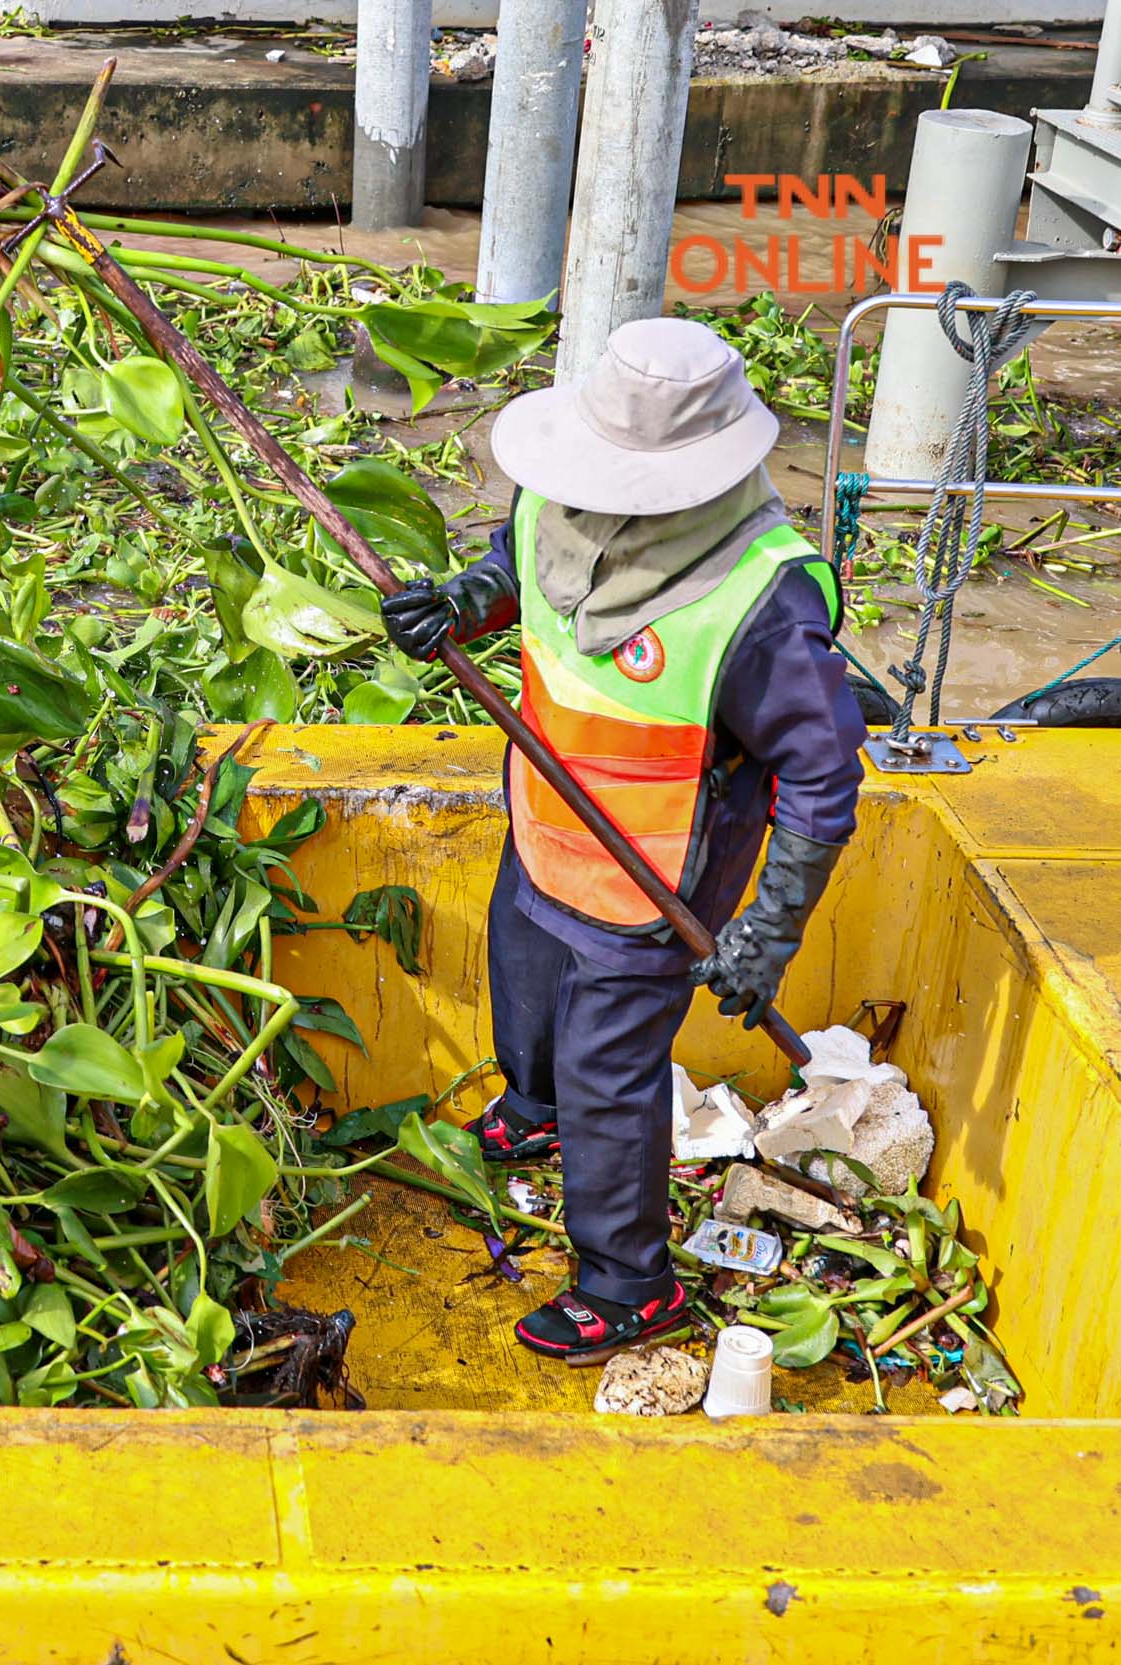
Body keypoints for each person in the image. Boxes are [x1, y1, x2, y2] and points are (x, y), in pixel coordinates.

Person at [382, 316, 865, 1365]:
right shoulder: (552, 496)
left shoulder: (760, 602)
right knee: (523, 991)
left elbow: (822, 780)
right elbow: (515, 566)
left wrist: (766, 932)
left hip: (657, 889)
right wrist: (458, 606)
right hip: (545, 830)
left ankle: (627, 1284)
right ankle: (534, 1104)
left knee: (613, 1078)